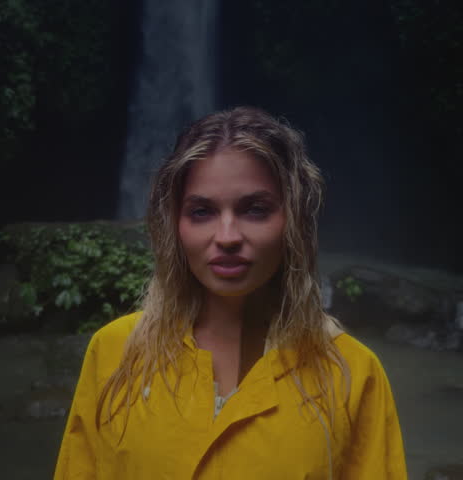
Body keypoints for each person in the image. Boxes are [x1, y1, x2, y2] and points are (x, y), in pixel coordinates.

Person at [54, 106, 407, 479]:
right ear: (174, 224)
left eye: (254, 210)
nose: (227, 237)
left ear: (295, 220)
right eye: (202, 212)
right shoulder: (114, 354)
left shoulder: (350, 374)